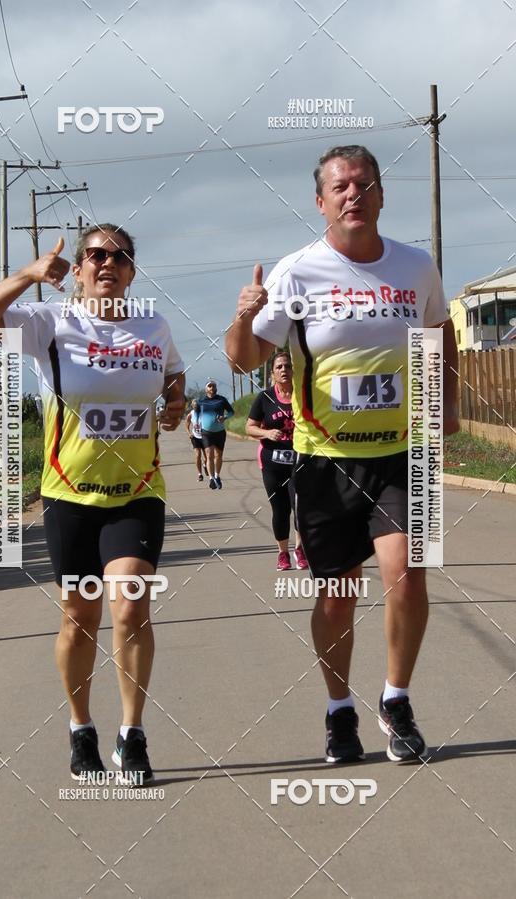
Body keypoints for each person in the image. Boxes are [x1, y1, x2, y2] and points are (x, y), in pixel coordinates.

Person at [226, 145, 459, 764]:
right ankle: (339, 711)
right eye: (341, 187)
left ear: (381, 195)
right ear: (322, 202)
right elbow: (246, 359)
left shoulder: (416, 268)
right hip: (323, 460)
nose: (353, 194)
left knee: (408, 576)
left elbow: (441, 329)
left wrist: (445, 401)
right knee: (336, 595)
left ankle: (397, 697)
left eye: (364, 184)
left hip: (404, 451)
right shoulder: (296, 272)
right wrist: (243, 317)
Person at [0, 224, 185, 782]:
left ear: (132, 271)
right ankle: (80, 726)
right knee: (79, 618)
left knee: (131, 606)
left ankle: (132, 735)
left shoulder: (153, 326)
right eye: (94, 255)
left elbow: (174, 375)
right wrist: (27, 276)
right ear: (78, 269)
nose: (106, 264)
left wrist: (176, 404)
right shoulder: (49, 323)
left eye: (119, 257)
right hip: (69, 496)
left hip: (137, 494)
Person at [246, 351, 308, 571]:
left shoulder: (302, 394)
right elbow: (249, 426)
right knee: (280, 510)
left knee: (300, 507)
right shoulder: (265, 398)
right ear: (272, 374)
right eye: (279, 367)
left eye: (287, 366)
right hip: (272, 462)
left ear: (293, 370)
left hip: (299, 461)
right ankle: (283, 553)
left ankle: (300, 550)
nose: (284, 370)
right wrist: (267, 433)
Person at [197, 380, 234, 489]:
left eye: (213, 386)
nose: (212, 388)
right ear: (206, 389)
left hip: (220, 432)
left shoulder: (222, 400)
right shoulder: (201, 401)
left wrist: (225, 417)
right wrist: (196, 425)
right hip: (206, 432)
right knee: (209, 455)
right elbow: (196, 414)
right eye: (209, 386)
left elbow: (231, 412)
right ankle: (211, 479)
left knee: (218, 455)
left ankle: (217, 475)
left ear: (216, 388)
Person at [186, 399, 208, 481]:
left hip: (205, 437)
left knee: (207, 457)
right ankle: (200, 474)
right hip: (195, 437)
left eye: (197, 406)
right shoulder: (190, 414)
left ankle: (205, 465)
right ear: (192, 406)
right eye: (194, 406)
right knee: (198, 455)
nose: (196, 407)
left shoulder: (204, 412)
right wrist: (189, 433)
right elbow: (187, 425)